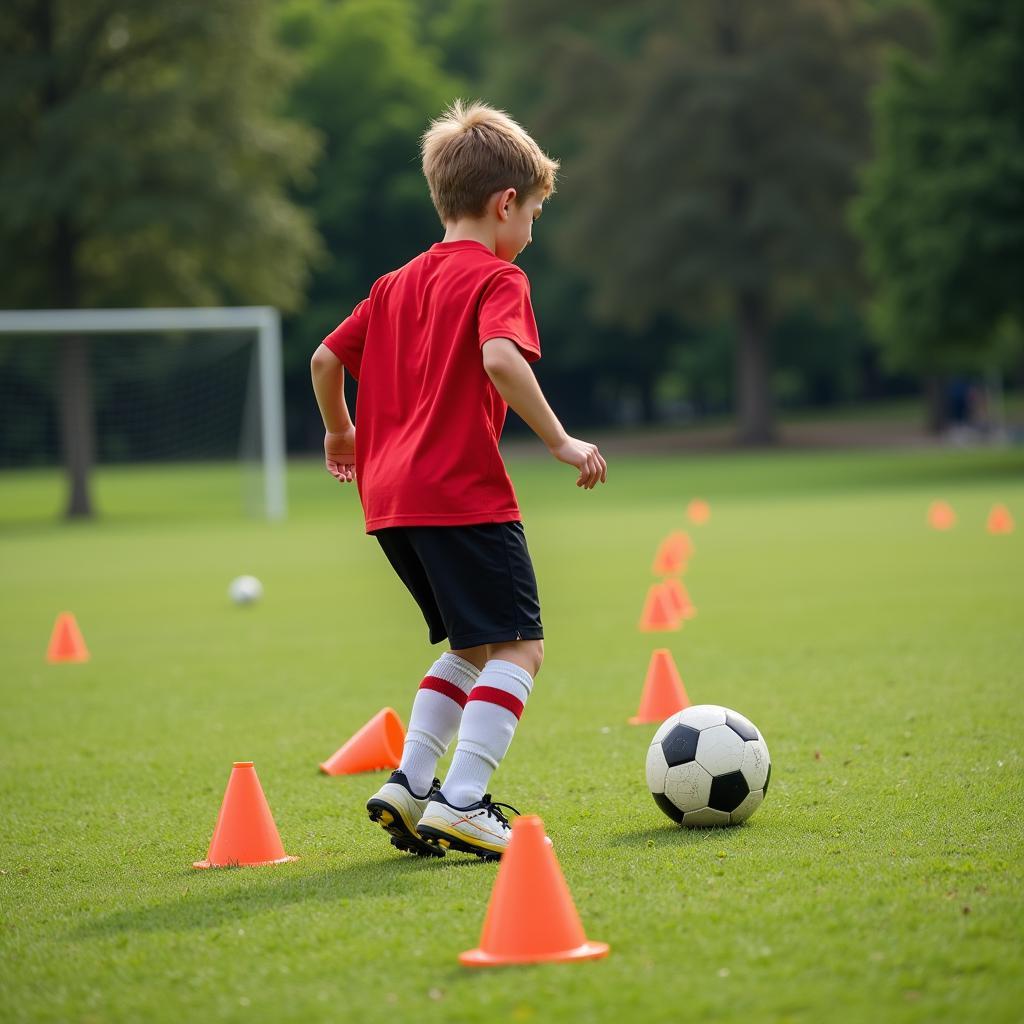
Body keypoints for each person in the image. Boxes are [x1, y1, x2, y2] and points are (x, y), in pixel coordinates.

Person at [310, 100, 607, 860]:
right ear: (506, 203)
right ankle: (465, 802)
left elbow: (324, 359)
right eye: (535, 213)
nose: (532, 232)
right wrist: (561, 440)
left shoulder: (392, 285)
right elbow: (502, 361)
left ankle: (410, 785)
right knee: (520, 649)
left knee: (474, 648)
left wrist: (341, 429)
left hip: (391, 504)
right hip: (460, 496)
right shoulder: (498, 280)